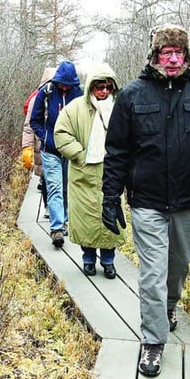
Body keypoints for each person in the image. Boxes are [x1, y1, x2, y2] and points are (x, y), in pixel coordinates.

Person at [102, 24, 190, 377]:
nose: (174, 60)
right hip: (147, 202)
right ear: (155, 56)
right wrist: (110, 197)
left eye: (179, 53)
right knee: (152, 274)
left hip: (188, 202)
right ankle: (152, 342)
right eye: (167, 53)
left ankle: (169, 307)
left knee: (176, 269)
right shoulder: (132, 96)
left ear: (188, 56)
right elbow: (117, 151)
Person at [54, 63, 124, 278]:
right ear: (91, 87)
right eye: (99, 86)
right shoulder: (75, 108)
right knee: (85, 220)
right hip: (82, 176)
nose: (103, 91)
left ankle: (109, 261)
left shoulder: (120, 109)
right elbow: (61, 134)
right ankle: (88, 260)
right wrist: (81, 155)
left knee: (110, 220)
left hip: (111, 175)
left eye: (108, 87)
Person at [30, 60, 83, 248]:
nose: (64, 87)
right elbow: (34, 121)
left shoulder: (80, 93)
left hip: (71, 149)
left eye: (67, 84)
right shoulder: (46, 92)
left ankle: (66, 219)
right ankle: (57, 228)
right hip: (50, 150)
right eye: (61, 83)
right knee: (54, 187)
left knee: (68, 187)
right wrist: (45, 138)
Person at [22, 67, 56, 216]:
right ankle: (48, 206)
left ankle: (58, 209)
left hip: (59, 145)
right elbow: (29, 126)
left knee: (57, 180)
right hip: (41, 144)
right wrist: (27, 147)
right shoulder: (37, 99)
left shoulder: (64, 97)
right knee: (46, 178)